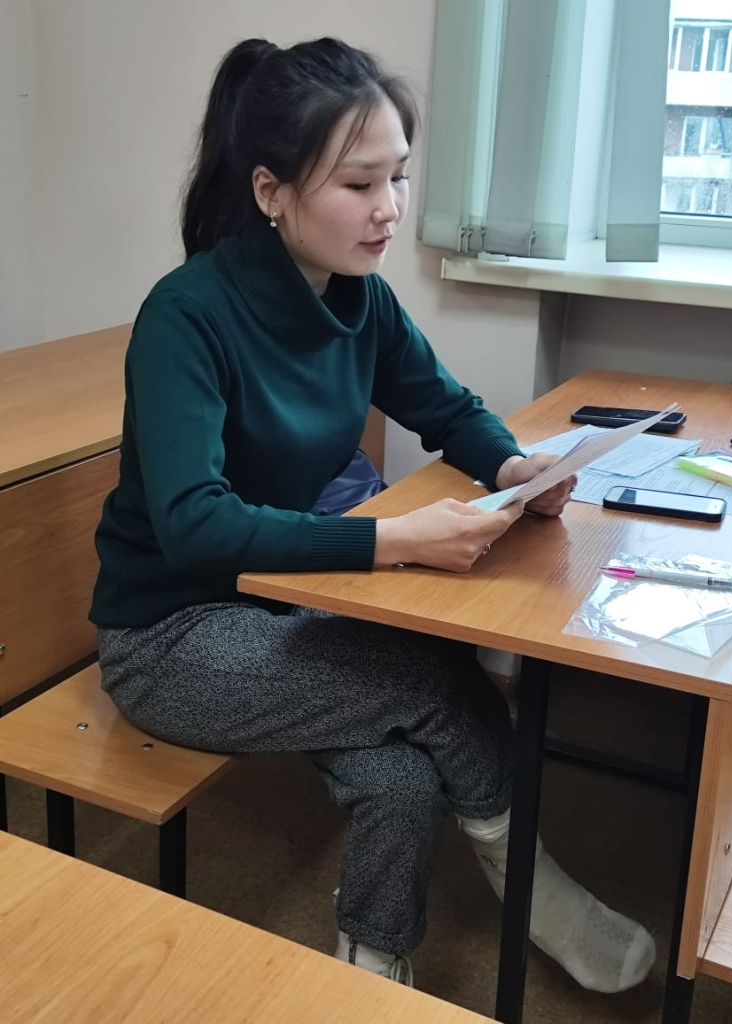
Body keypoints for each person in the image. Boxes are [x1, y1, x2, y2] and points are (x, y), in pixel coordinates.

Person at [90, 36, 655, 994]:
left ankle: (368, 967)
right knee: (434, 678)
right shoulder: (186, 316)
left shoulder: (360, 297)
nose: (390, 208)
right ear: (271, 191)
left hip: (279, 601)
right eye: (359, 184)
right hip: (170, 636)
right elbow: (194, 526)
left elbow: (444, 405)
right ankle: (535, 889)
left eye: (397, 176)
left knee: (401, 773)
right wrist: (393, 543)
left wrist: (514, 465)